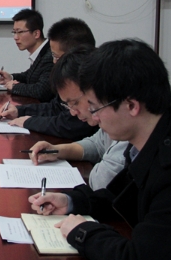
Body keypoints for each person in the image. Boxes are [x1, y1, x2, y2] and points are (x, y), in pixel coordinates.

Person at [28, 39, 171, 260]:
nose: (94, 116)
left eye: (95, 107)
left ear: (131, 106)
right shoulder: (147, 145)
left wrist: (83, 232)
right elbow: (118, 198)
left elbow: (138, 259)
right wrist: (70, 201)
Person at [25, 47, 127, 190]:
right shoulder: (111, 123)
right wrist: (56, 150)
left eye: (75, 103)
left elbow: (101, 183)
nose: (73, 112)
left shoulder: (126, 131)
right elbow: (97, 144)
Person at [0, 17, 98, 140]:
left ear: (74, 55)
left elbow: (69, 125)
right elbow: (55, 107)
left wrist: (28, 121)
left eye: (56, 57)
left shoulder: (91, 81)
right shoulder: (70, 79)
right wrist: (19, 111)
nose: (54, 62)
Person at [0, 9, 54, 102]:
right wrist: (11, 77)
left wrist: (15, 87)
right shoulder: (42, 51)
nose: (15, 37)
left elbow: (41, 90)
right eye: (14, 32)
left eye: (20, 32)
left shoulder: (50, 55)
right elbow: (30, 76)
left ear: (36, 34)